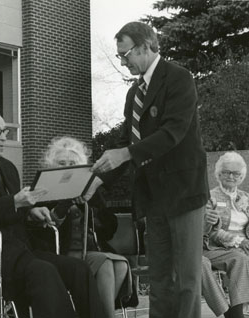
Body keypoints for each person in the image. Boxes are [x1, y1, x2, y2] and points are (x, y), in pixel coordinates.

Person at [90, 22, 209, 318]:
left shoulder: (179, 78)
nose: (123, 61)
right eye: (119, 56)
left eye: (125, 54)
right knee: (159, 281)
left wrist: (125, 152)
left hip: (183, 194)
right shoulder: (134, 94)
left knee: (186, 280)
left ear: (145, 47)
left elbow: (173, 133)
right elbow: (124, 144)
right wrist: (94, 182)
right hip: (153, 199)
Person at [0, 109, 105, 318]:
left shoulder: (8, 168)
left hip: (22, 249)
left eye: (4, 131)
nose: (3, 137)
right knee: (43, 271)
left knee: (78, 270)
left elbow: (16, 209)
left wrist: (31, 212)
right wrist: (13, 202)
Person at [37, 136, 134, 318]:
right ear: (52, 165)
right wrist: (65, 204)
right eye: (61, 162)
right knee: (105, 264)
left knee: (121, 264)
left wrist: (90, 209)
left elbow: (110, 228)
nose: (67, 166)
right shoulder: (44, 189)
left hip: (90, 250)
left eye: (72, 162)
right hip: (60, 253)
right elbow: (44, 229)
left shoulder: (90, 189)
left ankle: (94, 312)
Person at [203, 151, 249, 318]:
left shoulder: (246, 198)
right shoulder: (211, 197)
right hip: (216, 247)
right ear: (219, 174)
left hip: (244, 244)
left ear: (242, 176)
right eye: (227, 172)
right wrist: (239, 241)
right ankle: (234, 314)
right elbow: (213, 232)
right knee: (240, 257)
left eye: (236, 173)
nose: (231, 176)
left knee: (241, 256)